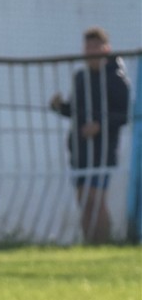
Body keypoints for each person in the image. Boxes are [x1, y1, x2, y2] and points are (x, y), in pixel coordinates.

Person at [50, 26, 132, 244]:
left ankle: (105, 242)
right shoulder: (81, 77)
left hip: (102, 149)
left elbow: (124, 114)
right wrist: (59, 107)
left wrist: (100, 126)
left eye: (96, 46)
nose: (91, 51)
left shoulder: (116, 78)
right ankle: (90, 244)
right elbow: (76, 111)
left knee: (96, 199)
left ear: (106, 48)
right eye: (88, 47)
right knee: (83, 200)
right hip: (80, 149)